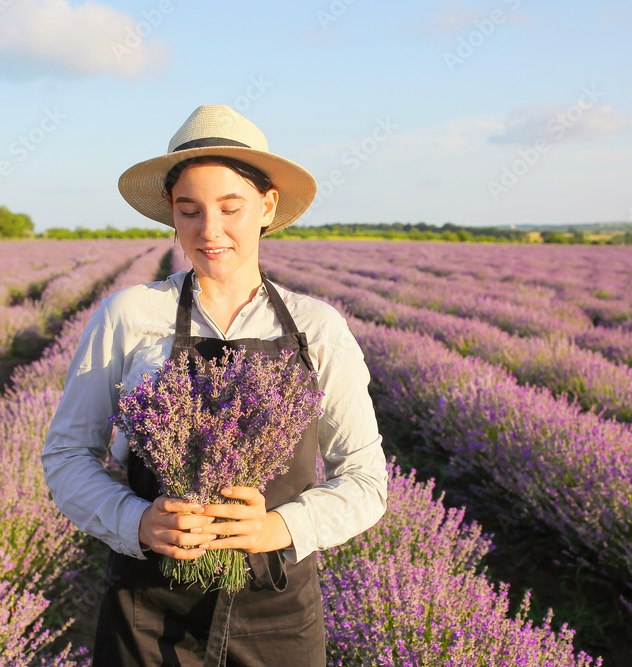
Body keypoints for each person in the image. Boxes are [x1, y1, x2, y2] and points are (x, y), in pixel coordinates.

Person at [41, 104, 387, 666]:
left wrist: (278, 525)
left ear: (267, 206)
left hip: (277, 613)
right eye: (190, 211)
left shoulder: (315, 328)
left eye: (232, 208)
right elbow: (66, 455)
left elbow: (367, 480)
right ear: (171, 217)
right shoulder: (130, 314)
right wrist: (137, 521)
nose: (210, 231)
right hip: (148, 611)